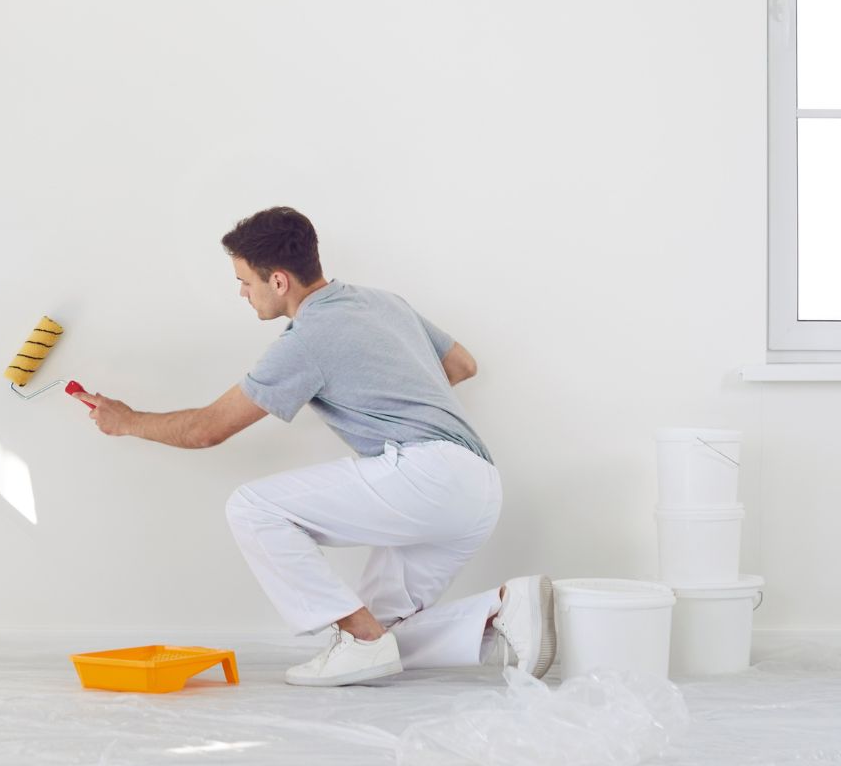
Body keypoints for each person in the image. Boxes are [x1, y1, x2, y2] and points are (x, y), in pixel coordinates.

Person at [74, 207, 554, 686]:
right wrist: (386, 390)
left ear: (278, 281)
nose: (242, 292)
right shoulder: (383, 302)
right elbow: (462, 364)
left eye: (245, 281)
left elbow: (207, 429)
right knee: (387, 634)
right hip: (479, 483)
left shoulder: (308, 339)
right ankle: (500, 614)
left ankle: (361, 638)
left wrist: (127, 421)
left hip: (427, 476)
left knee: (253, 509)